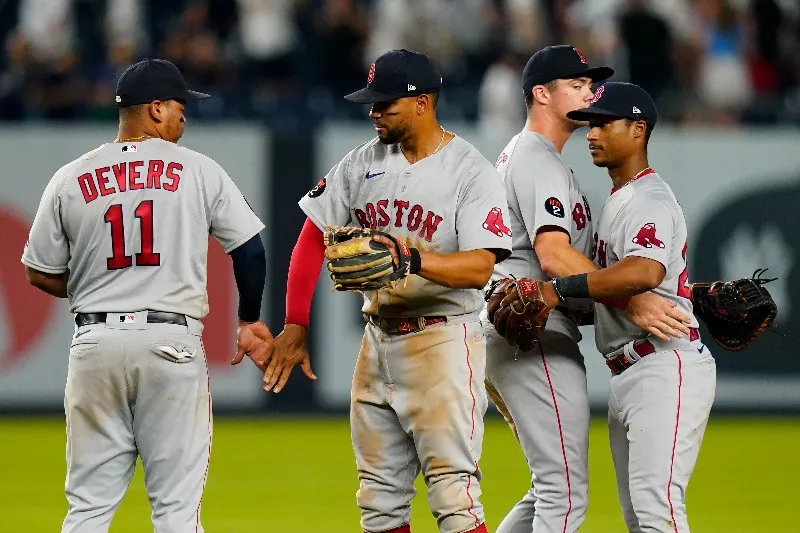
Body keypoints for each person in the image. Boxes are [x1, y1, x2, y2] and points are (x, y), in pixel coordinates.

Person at [264, 49, 513, 533]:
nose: (374, 112)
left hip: (443, 341)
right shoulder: (361, 163)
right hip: (377, 341)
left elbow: (481, 266)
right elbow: (311, 239)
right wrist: (296, 322)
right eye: (372, 103)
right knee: (378, 501)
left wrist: (413, 259)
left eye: (386, 103)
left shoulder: (469, 170)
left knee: (454, 497)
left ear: (422, 102)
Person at [22, 58, 273, 532]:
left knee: (87, 509)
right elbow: (250, 251)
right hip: (169, 344)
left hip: (94, 344)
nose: (184, 117)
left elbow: (38, 272)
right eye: (179, 107)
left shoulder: (71, 176)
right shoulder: (197, 168)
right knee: (176, 511)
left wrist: (101, 289)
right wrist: (248, 319)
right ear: (156, 109)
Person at [483, 46, 693, 533]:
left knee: (550, 488)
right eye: (576, 85)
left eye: (590, 85)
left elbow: (578, 276)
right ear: (541, 93)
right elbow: (554, 257)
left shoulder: (538, 158)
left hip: (520, 326)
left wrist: (689, 294)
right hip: (532, 329)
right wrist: (633, 299)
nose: (589, 93)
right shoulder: (536, 158)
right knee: (564, 493)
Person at [537, 81, 716, 532]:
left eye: (604, 123)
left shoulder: (647, 198)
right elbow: (625, 287)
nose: (592, 133)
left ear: (638, 129)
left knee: (657, 512)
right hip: (629, 368)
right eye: (589, 124)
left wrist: (559, 290)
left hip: (664, 365)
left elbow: (644, 272)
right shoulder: (622, 197)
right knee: (640, 519)